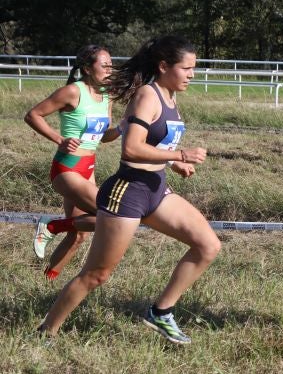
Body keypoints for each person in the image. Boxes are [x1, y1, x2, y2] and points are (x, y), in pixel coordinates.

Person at [38, 36, 220, 344]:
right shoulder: (147, 95)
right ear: (164, 66)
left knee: (208, 246)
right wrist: (180, 155)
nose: (192, 74)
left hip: (157, 189)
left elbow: (154, 143)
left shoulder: (170, 97)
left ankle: (161, 312)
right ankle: (46, 332)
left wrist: (173, 164)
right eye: (186, 68)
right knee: (96, 275)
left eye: (194, 68)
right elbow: (132, 150)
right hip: (129, 192)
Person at [25, 45, 119, 280]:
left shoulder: (107, 95)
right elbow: (33, 115)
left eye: (111, 64)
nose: (110, 69)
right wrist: (59, 139)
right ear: (87, 68)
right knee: (111, 216)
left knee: (78, 234)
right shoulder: (72, 92)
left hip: (88, 168)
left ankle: (48, 279)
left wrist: (121, 128)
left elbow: (103, 137)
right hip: (67, 168)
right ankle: (51, 226)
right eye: (104, 64)